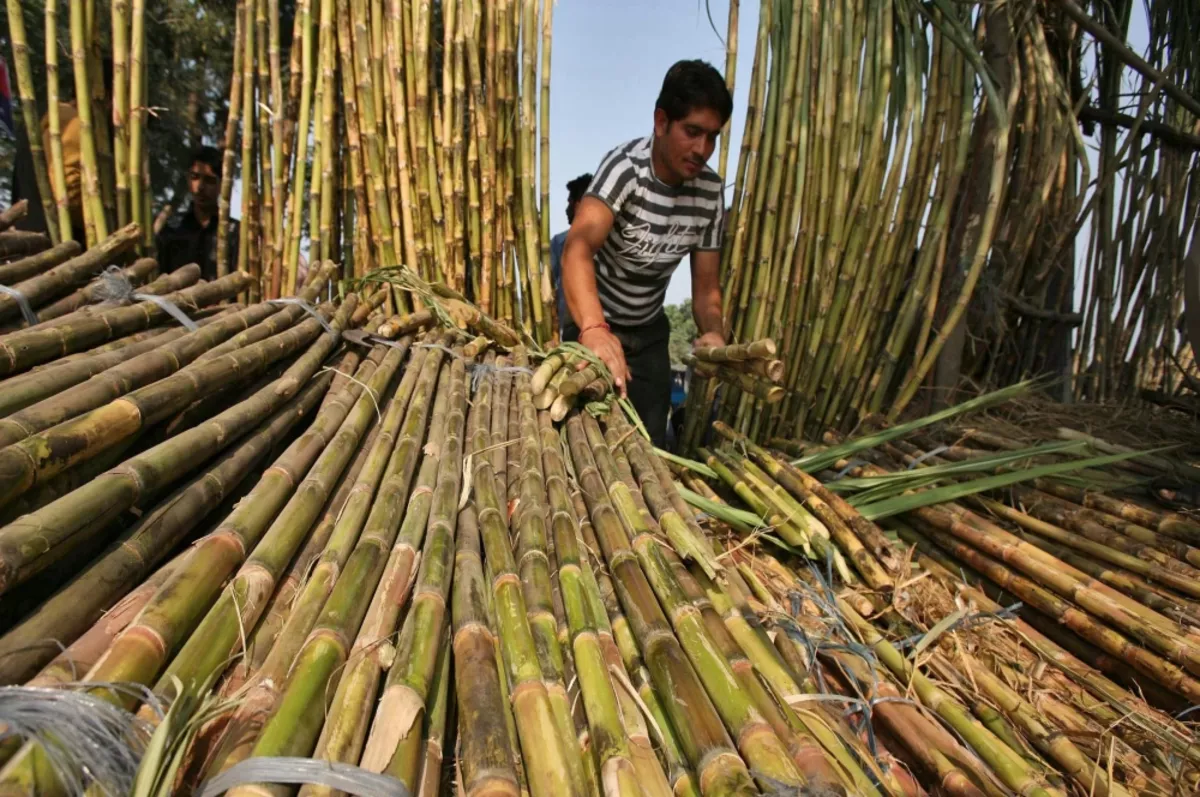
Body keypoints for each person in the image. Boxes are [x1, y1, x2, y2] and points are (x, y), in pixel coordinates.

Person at [561, 59, 731, 447]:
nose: (702, 149)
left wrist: (714, 332)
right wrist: (593, 330)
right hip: (595, 320)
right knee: (581, 441)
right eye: (692, 132)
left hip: (650, 334)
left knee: (648, 447)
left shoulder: (709, 193)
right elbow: (577, 248)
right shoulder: (625, 169)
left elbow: (706, 290)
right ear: (660, 121)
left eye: (712, 137)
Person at [155, 146, 238, 281]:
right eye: (195, 177)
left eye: (209, 180)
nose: (200, 187)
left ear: (223, 185)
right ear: (188, 179)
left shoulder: (235, 232)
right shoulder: (172, 229)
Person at [549, 172, 592, 338]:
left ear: (578, 204)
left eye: (570, 203)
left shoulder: (560, 242)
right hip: (570, 329)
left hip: (581, 328)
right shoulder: (558, 242)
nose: (567, 210)